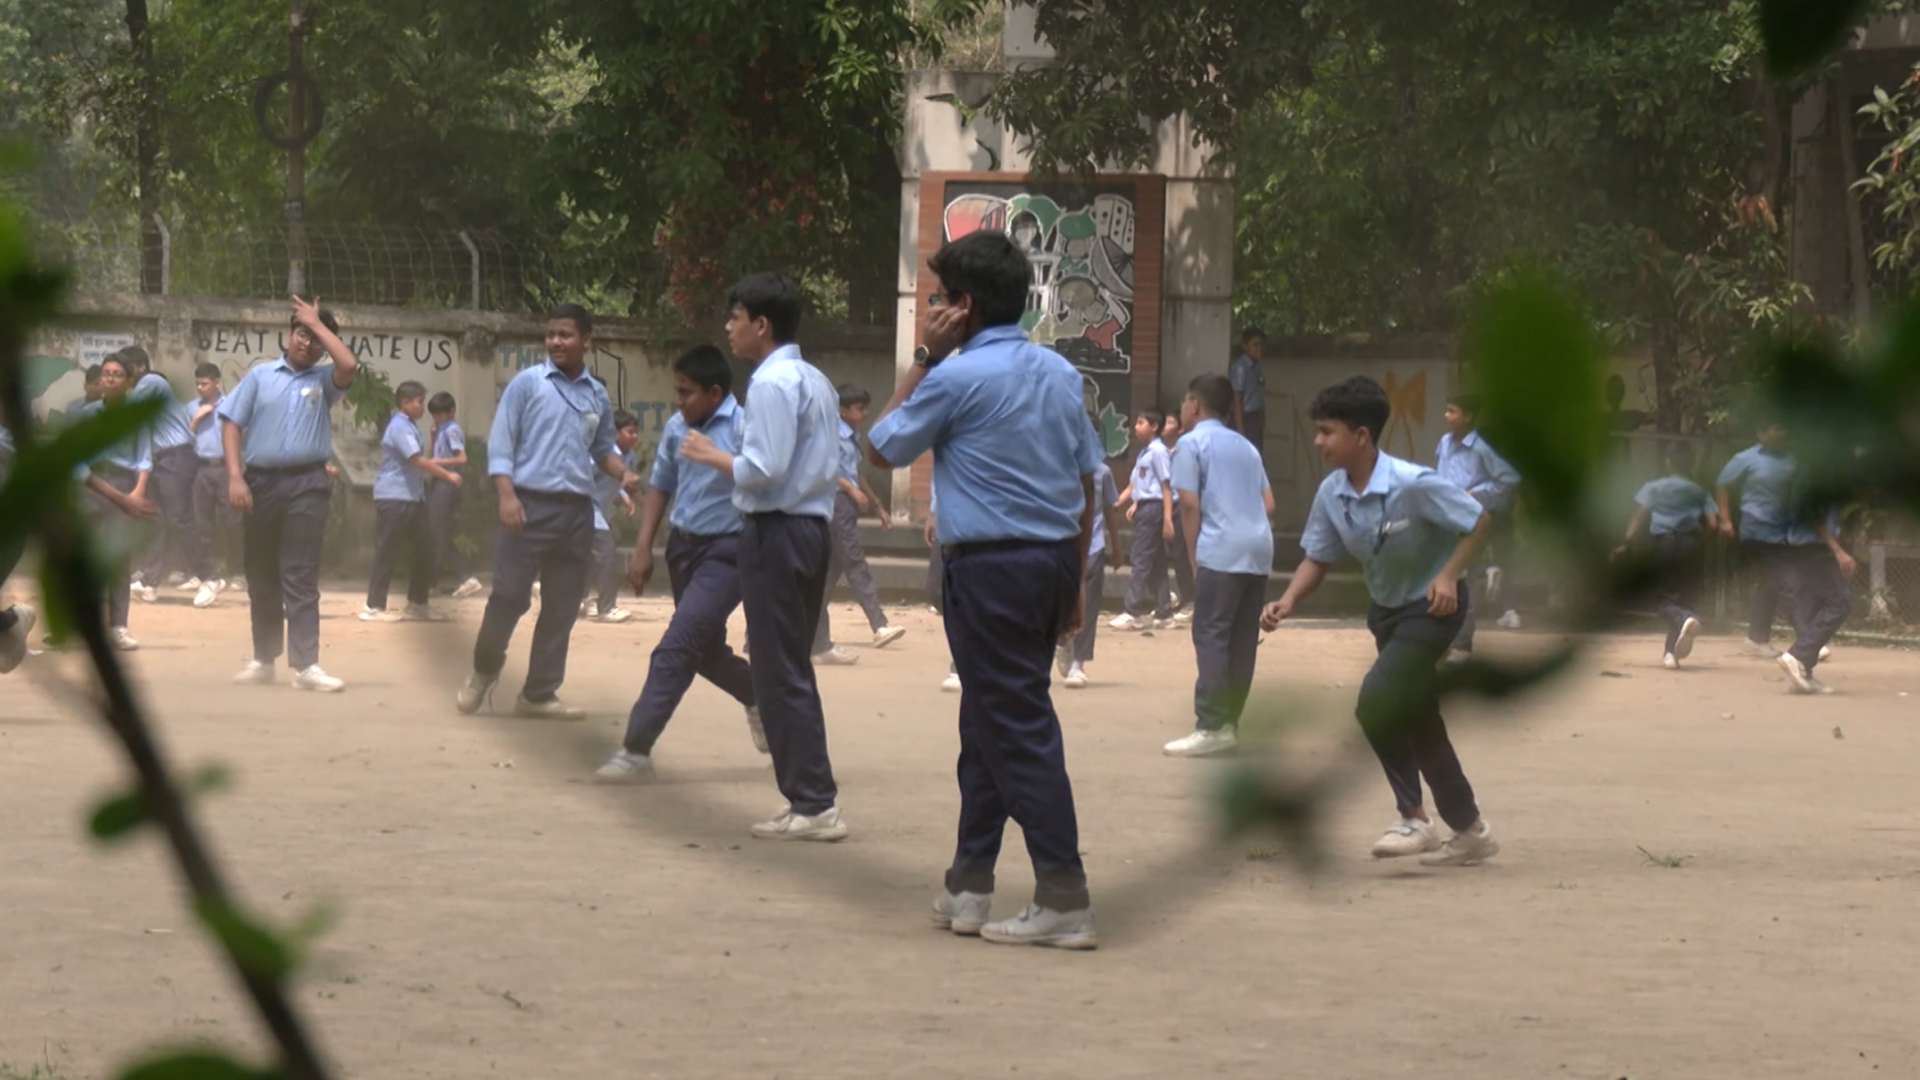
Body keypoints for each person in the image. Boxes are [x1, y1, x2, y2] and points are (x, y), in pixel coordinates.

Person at [870, 229, 1103, 949]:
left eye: (939, 298)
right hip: (1049, 563)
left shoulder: (955, 376)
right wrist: (1076, 586)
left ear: (963, 307)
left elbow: (881, 444)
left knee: (1017, 727)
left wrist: (920, 361)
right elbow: (1086, 479)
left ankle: (1063, 893)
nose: (933, 309)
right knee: (989, 724)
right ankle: (968, 883)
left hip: (991, 570)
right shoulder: (1060, 373)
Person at [1261, 375, 1501, 867]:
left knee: (1377, 701)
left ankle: (1413, 817)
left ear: (1362, 437)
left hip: (1433, 610)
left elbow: (1478, 521)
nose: (1318, 442)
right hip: (1388, 614)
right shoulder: (1331, 493)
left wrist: (1449, 575)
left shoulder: (1414, 484)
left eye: (1327, 432)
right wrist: (1286, 600)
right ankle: (1471, 830)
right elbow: (1318, 558)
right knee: (1420, 723)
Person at [677, 271, 847, 841]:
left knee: (777, 671)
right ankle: (810, 796)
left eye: (735, 317)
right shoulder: (816, 380)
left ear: (761, 324)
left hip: (776, 531)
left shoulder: (772, 384)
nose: (729, 328)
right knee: (789, 667)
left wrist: (710, 453)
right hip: (809, 530)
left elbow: (762, 469)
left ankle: (814, 803)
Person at [457, 304, 637, 719]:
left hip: (577, 512)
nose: (556, 341)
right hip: (528, 505)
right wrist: (506, 495)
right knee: (508, 596)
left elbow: (602, 448)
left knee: (561, 605)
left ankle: (538, 693)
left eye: (566, 335)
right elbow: (502, 444)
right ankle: (483, 670)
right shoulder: (527, 385)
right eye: (551, 334)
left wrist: (623, 474)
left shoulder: (596, 394)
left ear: (586, 340)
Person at [595, 346, 765, 781]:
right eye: (676, 391)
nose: (678, 401)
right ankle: (759, 694)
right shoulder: (676, 427)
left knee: (677, 644)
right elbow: (660, 488)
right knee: (704, 653)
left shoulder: (746, 427)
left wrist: (717, 457)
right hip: (683, 550)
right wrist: (642, 547)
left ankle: (636, 747)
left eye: (686, 393)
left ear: (714, 393)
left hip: (728, 552)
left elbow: (765, 479)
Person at [218, 296, 358, 693]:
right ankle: (264, 660)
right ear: (287, 334)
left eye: (315, 338)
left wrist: (317, 323)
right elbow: (230, 423)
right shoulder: (261, 376)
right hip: (259, 483)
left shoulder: (324, 382)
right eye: (301, 334)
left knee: (299, 574)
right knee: (261, 574)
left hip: (308, 484)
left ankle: (307, 665)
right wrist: (234, 477)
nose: (307, 344)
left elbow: (348, 365)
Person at [1163, 374, 1276, 757]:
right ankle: (1229, 722)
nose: (1181, 409)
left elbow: (1190, 504)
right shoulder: (1247, 447)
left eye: (1183, 402)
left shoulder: (1190, 444)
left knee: (1211, 633)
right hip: (1258, 549)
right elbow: (1270, 504)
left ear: (1194, 405)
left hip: (1221, 547)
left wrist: (1195, 557)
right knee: (1242, 639)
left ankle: (1212, 725)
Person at [811, 383, 906, 664]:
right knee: (854, 562)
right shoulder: (831, 435)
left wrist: (877, 505)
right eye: (859, 408)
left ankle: (813, 638)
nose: (864, 413)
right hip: (837, 503)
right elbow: (824, 471)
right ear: (842, 409)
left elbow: (856, 473)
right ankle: (879, 625)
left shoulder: (851, 436)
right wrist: (851, 490)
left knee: (827, 575)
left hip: (847, 504)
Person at [360, 381, 460, 623]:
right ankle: (374, 606)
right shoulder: (400, 427)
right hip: (394, 496)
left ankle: (418, 602)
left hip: (412, 496)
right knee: (388, 550)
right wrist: (447, 474)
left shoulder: (409, 427)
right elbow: (416, 460)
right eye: (419, 402)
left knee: (427, 547)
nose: (422, 407)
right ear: (405, 403)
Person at [1434, 392, 1521, 660]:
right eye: (1446, 410)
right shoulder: (1445, 443)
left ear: (1468, 416)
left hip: (1468, 516)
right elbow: (1439, 474)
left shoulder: (1479, 447)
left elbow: (1509, 478)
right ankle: (1488, 570)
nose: (1447, 416)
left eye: (1453, 411)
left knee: (1462, 578)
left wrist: (1477, 493)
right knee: (1454, 573)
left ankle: (1462, 645)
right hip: (1446, 515)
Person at [1614, 443, 1717, 669]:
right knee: (1684, 595)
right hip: (1691, 544)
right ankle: (1670, 653)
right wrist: (1700, 542)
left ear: (1669, 461)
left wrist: (1626, 542)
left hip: (1664, 544)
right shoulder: (1699, 491)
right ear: (1690, 463)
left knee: (1661, 599)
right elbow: (1713, 523)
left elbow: (1638, 516)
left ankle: (1683, 619)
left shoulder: (1653, 487)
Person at [83, 353, 156, 651]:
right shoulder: (88, 415)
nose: (109, 378)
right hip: (92, 488)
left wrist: (136, 494)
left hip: (126, 486)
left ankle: (118, 627)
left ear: (128, 382)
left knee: (119, 562)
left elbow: (144, 458)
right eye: (105, 373)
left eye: (116, 374)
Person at [120, 347, 198, 601]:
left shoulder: (151, 381)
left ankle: (207, 574)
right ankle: (150, 581)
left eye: (124, 369)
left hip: (176, 456)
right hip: (165, 459)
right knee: (157, 519)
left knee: (178, 518)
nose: (121, 375)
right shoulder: (145, 391)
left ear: (140, 366)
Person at [1717, 423, 1797, 658]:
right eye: (1776, 428)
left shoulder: (1791, 459)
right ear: (1760, 433)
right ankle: (1806, 637)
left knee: (1771, 584)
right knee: (1778, 580)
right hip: (1756, 529)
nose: (1782, 432)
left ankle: (1756, 639)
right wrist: (1725, 519)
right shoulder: (1744, 459)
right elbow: (1722, 484)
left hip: (1784, 529)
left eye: (1783, 428)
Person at [1054, 415, 1122, 689]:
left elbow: (1109, 510)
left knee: (1090, 607)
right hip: (1061, 545)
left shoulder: (1102, 472)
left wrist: (1117, 548)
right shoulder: (1057, 469)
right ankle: (1063, 640)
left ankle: (1078, 663)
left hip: (1092, 546)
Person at [1775, 499, 1854, 694]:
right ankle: (1798, 655)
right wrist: (1837, 550)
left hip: (1801, 547)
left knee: (1811, 605)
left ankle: (1804, 672)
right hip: (1815, 547)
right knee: (1839, 602)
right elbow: (1813, 514)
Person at [1110, 409, 1174, 632]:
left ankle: (1132, 611)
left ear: (1154, 426)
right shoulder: (1143, 454)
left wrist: (1167, 517)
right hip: (1145, 506)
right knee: (1155, 561)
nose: (1136, 427)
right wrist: (1118, 503)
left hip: (1154, 508)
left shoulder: (1158, 452)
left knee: (1140, 558)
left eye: (1141, 422)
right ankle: (1164, 610)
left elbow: (1166, 487)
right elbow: (1134, 486)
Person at [185, 363, 241, 608]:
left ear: (217, 382)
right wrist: (196, 419)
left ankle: (236, 572)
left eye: (204, 383)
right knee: (201, 522)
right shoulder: (190, 408)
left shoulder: (231, 404)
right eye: (197, 383)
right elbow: (183, 439)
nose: (200, 388)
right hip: (201, 468)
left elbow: (241, 434)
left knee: (232, 521)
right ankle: (204, 573)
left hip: (226, 467)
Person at [424, 392, 483, 600]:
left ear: (451, 412)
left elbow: (461, 458)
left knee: (438, 532)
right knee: (437, 533)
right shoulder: (440, 429)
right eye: (435, 415)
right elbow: (437, 453)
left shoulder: (452, 430)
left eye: (441, 414)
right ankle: (434, 581)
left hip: (448, 483)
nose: (437, 418)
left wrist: (437, 463)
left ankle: (464, 577)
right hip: (440, 481)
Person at [584, 409, 641, 624]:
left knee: (586, 556)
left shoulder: (629, 456)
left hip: (600, 510)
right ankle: (606, 607)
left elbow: (613, 481)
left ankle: (564, 595)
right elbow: (585, 476)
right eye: (630, 432)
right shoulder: (604, 454)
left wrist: (623, 496)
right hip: (588, 509)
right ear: (615, 433)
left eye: (637, 432)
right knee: (606, 552)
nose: (634, 436)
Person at [1162, 412, 1196, 624]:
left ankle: (1190, 599)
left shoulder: (1184, 449)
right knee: (1175, 554)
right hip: (1165, 505)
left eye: (1171, 422)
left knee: (1184, 553)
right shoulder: (1157, 451)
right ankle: (1176, 597)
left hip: (1180, 504)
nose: (1166, 425)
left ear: (1180, 429)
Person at [1228, 326, 1267, 457]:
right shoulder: (1240, 368)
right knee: (1245, 456)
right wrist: (1240, 432)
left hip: (1256, 418)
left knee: (1256, 457)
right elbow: (1237, 401)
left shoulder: (1256, 367)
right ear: (1245, 346)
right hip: (1246, 419)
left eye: (1261, 345)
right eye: (1255, 345)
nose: (1259, 348)